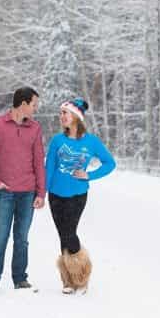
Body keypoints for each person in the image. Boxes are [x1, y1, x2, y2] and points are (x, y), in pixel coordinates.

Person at [0, 87, 46, 293]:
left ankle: (20, 278)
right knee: (0, 236)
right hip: (4, 192)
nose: (35, 108)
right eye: (34, 104)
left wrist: (41, 193)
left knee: (22, 238)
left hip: (27, 193)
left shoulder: (35, 128)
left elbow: (38, 162)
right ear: (23, 104)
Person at [45, 97, 116, 295]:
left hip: (77, 195)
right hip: (55, 195)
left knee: (69, 233)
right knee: (63, 235)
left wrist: (89, 175)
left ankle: (82, 276)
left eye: (64, 113)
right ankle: (68, 280)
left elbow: (110, 163)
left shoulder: (91, 142)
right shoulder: (57, 140)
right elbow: (49, 167)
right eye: (60, 113)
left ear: (76, 117)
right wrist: (42, 192)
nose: (61, 117)